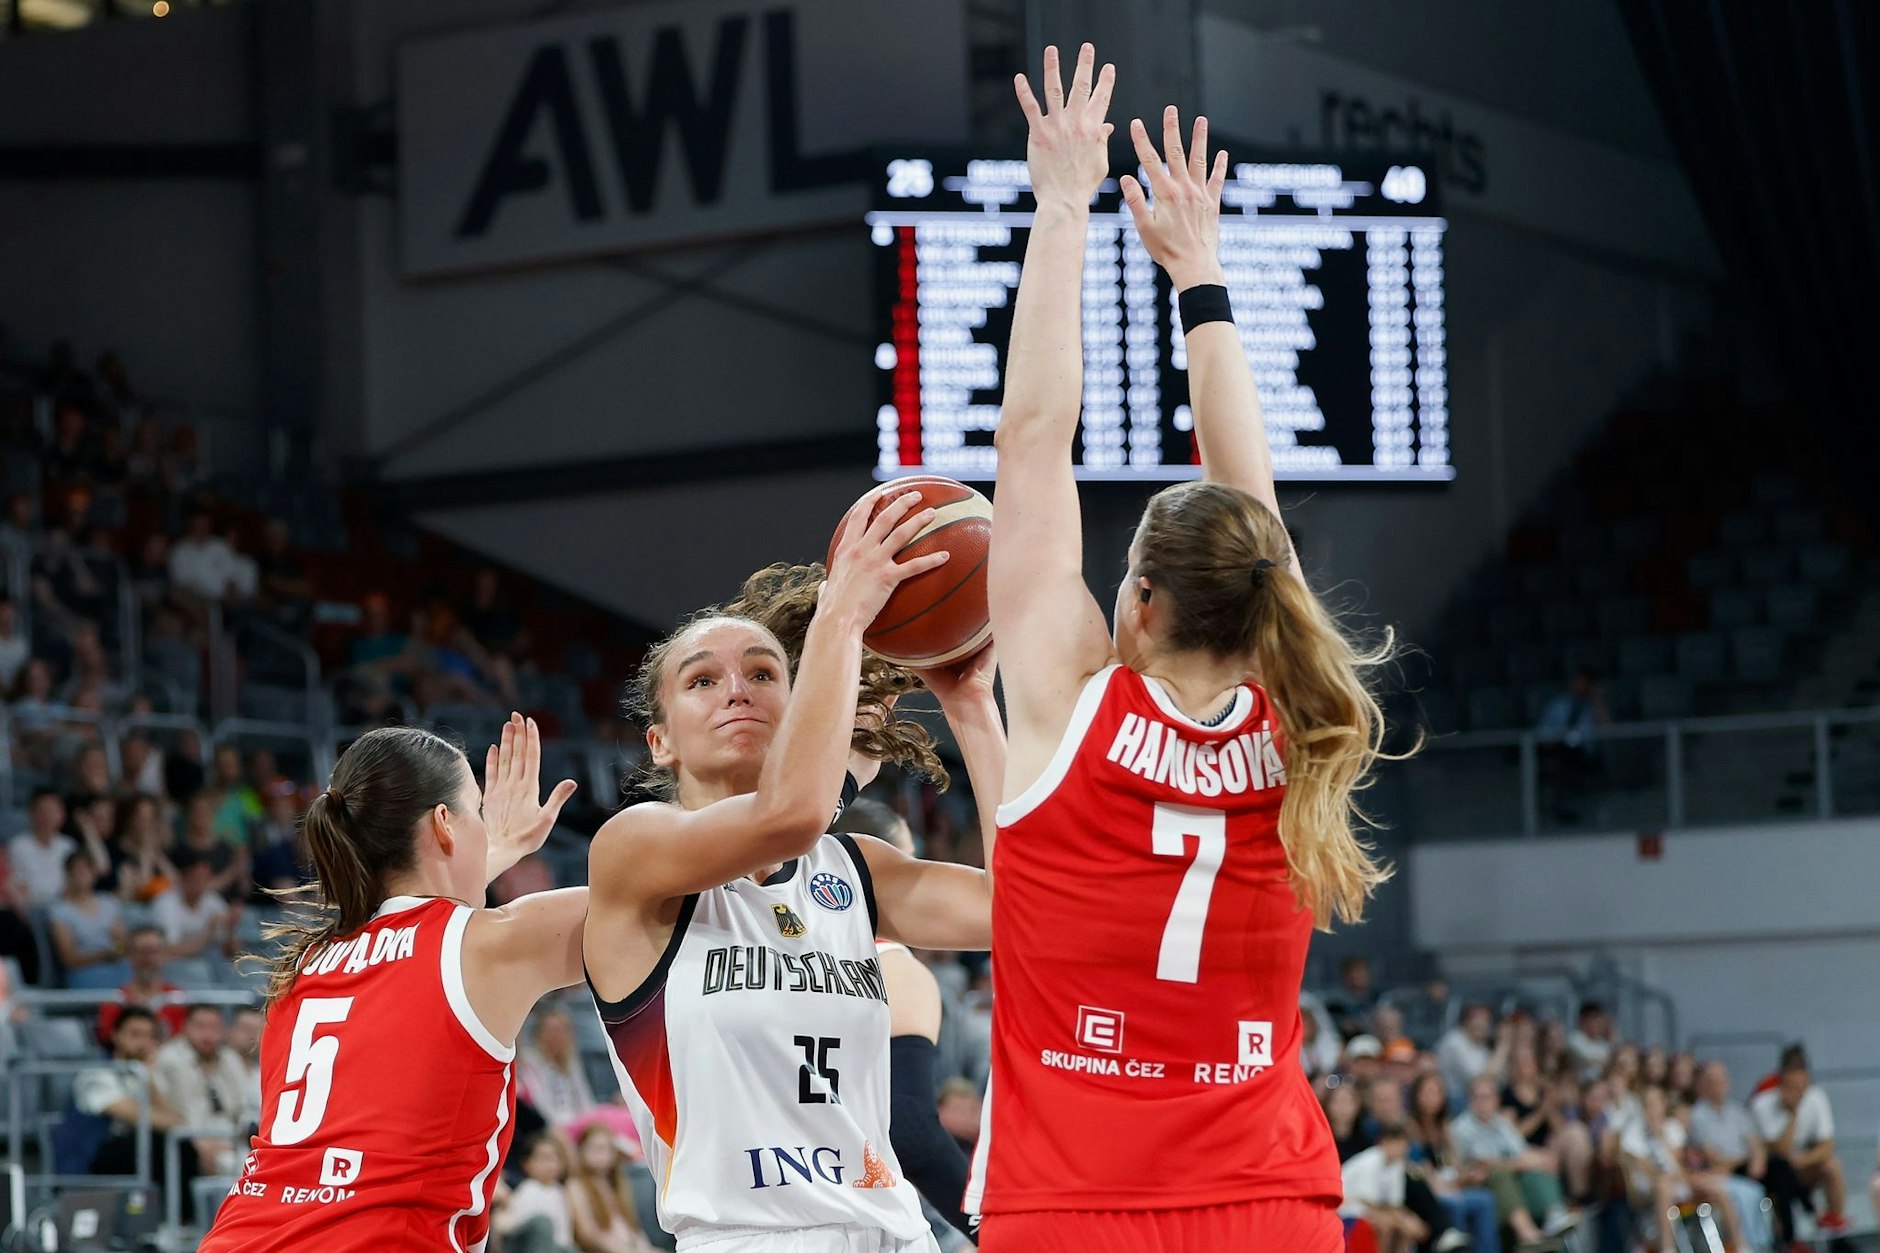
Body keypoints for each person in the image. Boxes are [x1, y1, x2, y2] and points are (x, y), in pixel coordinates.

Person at [967, 49, 1398, 1251]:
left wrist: (1061, 206)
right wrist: (1198, 279)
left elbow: (1031, 440)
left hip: (1074, 1207)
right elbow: (1246, 504)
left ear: (1139, 600)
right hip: (1270, 1203)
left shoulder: (1064, 705)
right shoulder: (1299, 721)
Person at [583, 494, 1003, 1253]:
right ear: (660, 741)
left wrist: (971, 705)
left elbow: (1029, 903)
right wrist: (842, 617)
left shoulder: (852, 868)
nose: (737, 687)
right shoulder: (635, 848)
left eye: (763, 671)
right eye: (702, 680)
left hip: (896, 1232)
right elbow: (791, 813)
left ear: (795, 704)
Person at [198, 715, 583, 1251]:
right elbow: (648, 907)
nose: (486, 830)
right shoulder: (486, 944)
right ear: (445, 824)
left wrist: (482, 854)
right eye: (478, 813)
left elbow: (421, 932)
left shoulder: (306, 965)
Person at [832, 796, 978, 1244]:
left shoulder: (756, 959)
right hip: (857, 1216)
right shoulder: (893, 964)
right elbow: (910, 1129)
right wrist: (989, 1225)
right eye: (910, 865)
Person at [74, 1006, 205, 1220]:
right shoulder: (96, 1076)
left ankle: (182, 1223)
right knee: (156, 1144)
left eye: (149, 1036)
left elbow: (176, 1122)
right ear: (116, 1036)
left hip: (144, 1155)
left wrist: (150, 1078)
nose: (143, 1043)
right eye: (135, 1034)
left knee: (179, 1147)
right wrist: (166, 1120)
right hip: (100, 1158)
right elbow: (142, 1116)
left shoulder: (147, 1076)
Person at [1450, 1077, 1577, 1245]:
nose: (1482, 1102)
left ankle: (1554, 1215)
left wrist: (1543, 1158)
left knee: (1540, 1167)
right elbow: (1485, 1164)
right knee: (1500, 1175)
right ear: (1470, 1100)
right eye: (1478, 1097)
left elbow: (1521, 1151)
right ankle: (1527, 1234)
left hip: (1511, 1175)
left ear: (1497, 1100)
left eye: (1487, 1097)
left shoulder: (1502, 1123)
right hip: (1480, 1183)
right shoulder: (1462, 1127)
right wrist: (1525, 1162)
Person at [1621, 1085, 1744, 1253]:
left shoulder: (1672, 1128)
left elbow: (1679, 1164)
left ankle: (1741, 1246)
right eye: (1649, 1104)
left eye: (1657, 1103)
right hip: (1649, 1188)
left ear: (1664, 1105)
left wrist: (1661, 1137)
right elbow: (1646, 1170)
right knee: (1663, 1186)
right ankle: (1667, 1248)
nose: (1653, 1109)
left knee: (1718, 1187)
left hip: (1677, 1179)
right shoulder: (1632, 1133)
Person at [1750, 1053, 1849, 1236]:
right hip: (1774, 1174)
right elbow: (1781, 1151)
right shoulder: (1762, 1104)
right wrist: (1793, 1115)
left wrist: (1801, 1160)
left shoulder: (1816, 1097)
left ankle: (1834, 1220)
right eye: (1793, 1087)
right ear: (1780, 1084)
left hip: (1800, 1165)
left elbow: (1826, 1146)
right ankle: (1789, 1236)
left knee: (1832, 1165)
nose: (1799, 1093)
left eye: (1802, 1086)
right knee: (1782, 1172)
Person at [1688, 1061, 1782, 1250]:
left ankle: (1777, 1241)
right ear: (1703, 1085)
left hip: (1742, 1168)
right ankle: (1747, 1244)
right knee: (1746, 1192)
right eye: (1712, 1081)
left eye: (1721, 1080)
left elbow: (1755, 1142)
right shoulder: (1698, 1115)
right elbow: (1711, 1157)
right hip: (1718, 1173)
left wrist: (1757, 1160)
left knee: (1779, 1171)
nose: (1718, 1085)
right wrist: (1743, 1160)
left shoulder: (1737, 1111)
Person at [1341, 1124, 1469, 1253]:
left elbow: (1395, 1203)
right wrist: (1401, 1220)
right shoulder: (1370, 1161)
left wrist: (1409, 1219)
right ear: (1385, 1143)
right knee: (1386, 1226)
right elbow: (1368, 1201)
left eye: (1404, 1145)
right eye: (1398, 1144)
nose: (1402, 1149)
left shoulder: (1397, 1164)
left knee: (1408, 1229)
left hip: (1371, 1207)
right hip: (1348, 1205)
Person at [152, 1004, 248, 1174]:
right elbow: (174, 1112)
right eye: (201, 1027)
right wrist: (199, 1143)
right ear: (185, 1027)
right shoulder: (170, 1059)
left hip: (231, 1140)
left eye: (214, 1027)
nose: (208, 1035)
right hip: (186, 1142)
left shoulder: (230, 1058)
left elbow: (244, 1107)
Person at [1408, 1073, 1498, 1253]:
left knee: (1485, 1199)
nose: (1432, 1098)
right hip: (1430, 1189)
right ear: (1417, 1096)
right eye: (1427, 1092)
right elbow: (1419, 1169)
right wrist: (1447, 1184)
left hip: (1453, 1185)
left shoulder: (1445, 1127)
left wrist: (1467, 1176)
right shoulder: (1411, 1127)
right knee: (1455, 1205)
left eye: (1436, 1092)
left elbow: (1455, 1165)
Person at [566, 1123, 654, 1252]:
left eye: (608, 1149)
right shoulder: (575, 1185)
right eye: (597, 1148)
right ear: (582, 1151)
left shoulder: (617, 1184)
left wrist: (646, 1249)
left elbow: (632, 1227)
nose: (603, 1155)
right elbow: (588, 1234)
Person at [49, 849, 129, 988]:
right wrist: (101, 956)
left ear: (94, 874)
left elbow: (122, 942)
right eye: (77, 872)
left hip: (116, 966)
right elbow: (69, 959)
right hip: (83, 972)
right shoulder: (60, 911)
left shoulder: (108, 902)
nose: (81, 876)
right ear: (68, 875)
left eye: (86, 871)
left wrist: (117, 950)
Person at [98, 925, 187, 1044]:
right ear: (129, 955)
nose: (147, 958)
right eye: (141, 952)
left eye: (153, 951)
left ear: (165, 955)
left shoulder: (178, 999)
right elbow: (108, 1039)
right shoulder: (114, 1001)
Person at [518, 1004, 599, 1133]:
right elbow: (539, 1103)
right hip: (551, 1127)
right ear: (539, 1034)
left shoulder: (571, 1063)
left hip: (577, 1124)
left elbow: (585, 1100)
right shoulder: (531, 1061)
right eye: (550, 1031)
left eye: (560, 1031)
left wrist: (591, 1124)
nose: (555, 1036)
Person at [494, 1132, 577, 1253]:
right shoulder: (528, 1189)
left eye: (556, 1158)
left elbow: (564, 1237)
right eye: (545, 1158)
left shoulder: (560, 1191)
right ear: (527, 1164)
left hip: (556, 1248)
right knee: (542, 1224)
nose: (551, 1164)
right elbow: (512, 1228)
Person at [151, 853, 240, 964]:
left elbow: (229, 953)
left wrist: (231, 930)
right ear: (183, 878)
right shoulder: (165, 904)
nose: (201, 883)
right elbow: (169, 950)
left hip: (208, 964)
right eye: (196, 878)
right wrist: (208, 934)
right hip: (174, 966)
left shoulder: (213, 900)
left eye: (206, 878)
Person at [8, 787, 76, 909]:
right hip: (33, 907)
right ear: (31, 813)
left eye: (53, 811)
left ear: (62, 814)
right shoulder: (18, 846)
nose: (48, 816)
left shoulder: (69, 845)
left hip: (65, 906)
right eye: (43, 811)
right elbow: (17, 884)